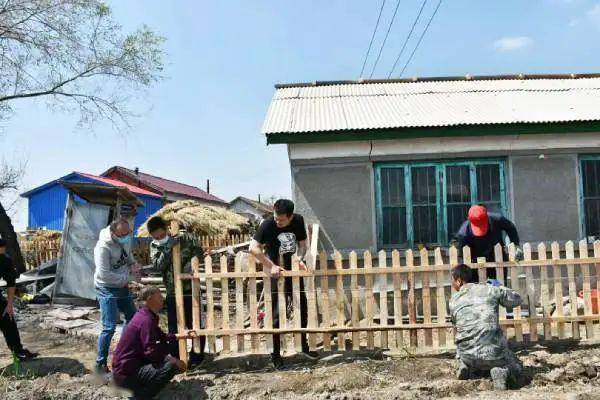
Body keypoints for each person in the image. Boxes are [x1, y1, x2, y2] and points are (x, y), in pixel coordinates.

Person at [249, 199, 318, 369]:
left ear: (291, 216)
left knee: (301, 307)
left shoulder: (299, 221)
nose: (277, 222)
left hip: (293, 273)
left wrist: (300, 259)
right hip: (275, 273)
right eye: (276, 218)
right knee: (276, 313)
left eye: (281, 220)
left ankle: (303, 347)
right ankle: (275, 353)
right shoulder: (267, 224)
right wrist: (270, 266)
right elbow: (253, 248)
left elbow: (302, 245)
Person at [449, 263, 523, 390]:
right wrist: (500, 287)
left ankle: (463, 365)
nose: (452, 284)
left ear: (459, 281)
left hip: (467, 354)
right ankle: (503, 371)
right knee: (516, 364)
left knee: (462, 340)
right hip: (494, 354)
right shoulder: (490, 290)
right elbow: (517, 299)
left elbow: (456, 324)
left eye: (453, 281)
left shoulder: (453, 300)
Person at [112, 286, 188, 399]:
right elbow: (151, 352)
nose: (163, 299)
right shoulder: (146, 320)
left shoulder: (146, 315)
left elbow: (162, 337)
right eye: (160, 296)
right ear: (150, 298)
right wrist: (173, 360)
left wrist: (182, 335)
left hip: (125, 371)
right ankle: (141, 396)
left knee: (163, 348)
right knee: (170, 367)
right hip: (125, 376)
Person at [147, 216, 204, 366]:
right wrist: (167, 247)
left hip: (191, 290)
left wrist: (192, 264)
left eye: (161, 235)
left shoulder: (186, 237)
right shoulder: (155, 246)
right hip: (172, 292)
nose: (159, 238)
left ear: (166, 229)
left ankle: (197, 358)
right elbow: (158, 266)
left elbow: (199, 252)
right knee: (174, 327)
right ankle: (177, 359)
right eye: (156, 237)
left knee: (195, 325)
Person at [94, 218, 141, 374]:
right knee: (109, 327)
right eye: (122, 234)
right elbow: (104, 274)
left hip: (122, 286)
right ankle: (100, 364)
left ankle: (123, 351)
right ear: (113, 233)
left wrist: (133, 265)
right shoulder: (102, 247)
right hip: (106, 288)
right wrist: (127, 279)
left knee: (133, 319)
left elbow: (127, 256)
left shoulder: (124, 240)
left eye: (127, 233)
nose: (125, 237)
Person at [455, 204, 521, 280]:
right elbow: (461, 255)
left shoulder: (497, 219)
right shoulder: (463, 233)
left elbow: (511, 228)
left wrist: (516, 246)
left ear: (486, 217)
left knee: (499, 287)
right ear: (470, 220)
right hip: (475, 263)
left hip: (497, 259)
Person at [0, 238, 38, 361]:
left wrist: (9, 304)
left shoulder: (4, 260)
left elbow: (11, 283)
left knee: (8, 320)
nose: (2, 252)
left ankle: (18, 351)